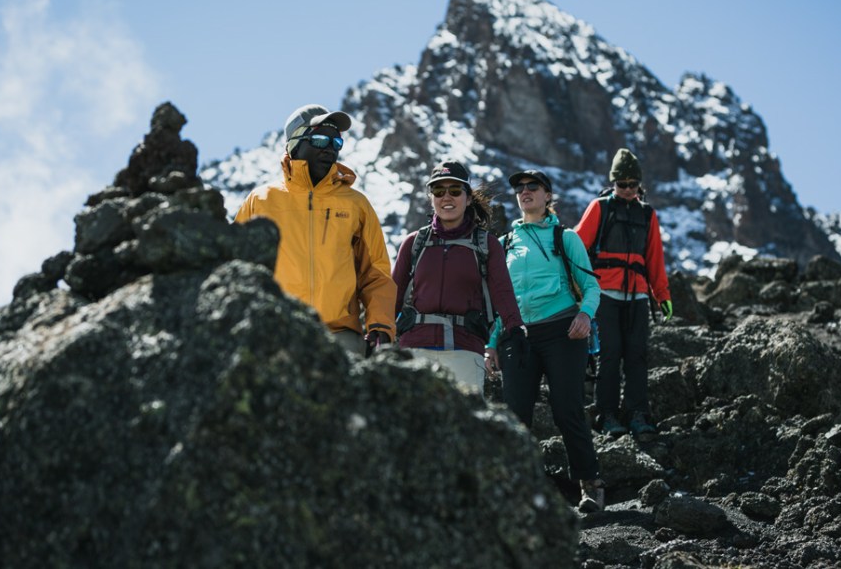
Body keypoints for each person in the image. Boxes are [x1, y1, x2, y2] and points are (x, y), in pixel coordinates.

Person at [486, 169, 605, 513]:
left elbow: (592, 286)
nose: (525, 192)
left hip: (563, 331)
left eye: (532, 187)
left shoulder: (564, 238)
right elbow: (502, 301)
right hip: (517, 336)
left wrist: (585, 315)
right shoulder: (506, 244)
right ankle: (517, 489)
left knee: (567, 409)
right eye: (520, 189)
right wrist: (492, 342)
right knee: (515, 414)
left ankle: (590, 484)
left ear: (548, 196)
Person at [235, 104, 396, 356]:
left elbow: (376, 274)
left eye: (336, 142)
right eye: (321, 139)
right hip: (277, 338)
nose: (330, 148)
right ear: (295, 144)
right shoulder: (261, 201)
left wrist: (381, 326)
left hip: (341, 340)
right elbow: (236, 269)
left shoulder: (356, 204)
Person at [392, 160, 525, 393]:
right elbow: (391, 296)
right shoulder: (414, 243)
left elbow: (502, 292)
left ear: (469, 197)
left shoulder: (486, 245)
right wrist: (378, 332)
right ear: (431, 197)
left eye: (455, 190)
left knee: (465, 426)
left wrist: (515, 330)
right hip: (414, 348)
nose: (446, 197)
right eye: (438, 190)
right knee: (414, 426)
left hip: (465, 349)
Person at [575, 148, 672, 440]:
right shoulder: (600, 208)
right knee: (609, 354)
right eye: (622, 185)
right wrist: (577, 288)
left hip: (639, 297)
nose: (628, 190)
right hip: (604, 295)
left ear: (639, 184)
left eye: (633, 185)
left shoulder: (648, 214)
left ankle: (638, 414)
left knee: (637, 355)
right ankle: (606, 414)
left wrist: (662, 295)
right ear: (613, 183)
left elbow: (655, 258)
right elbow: (576, 247)